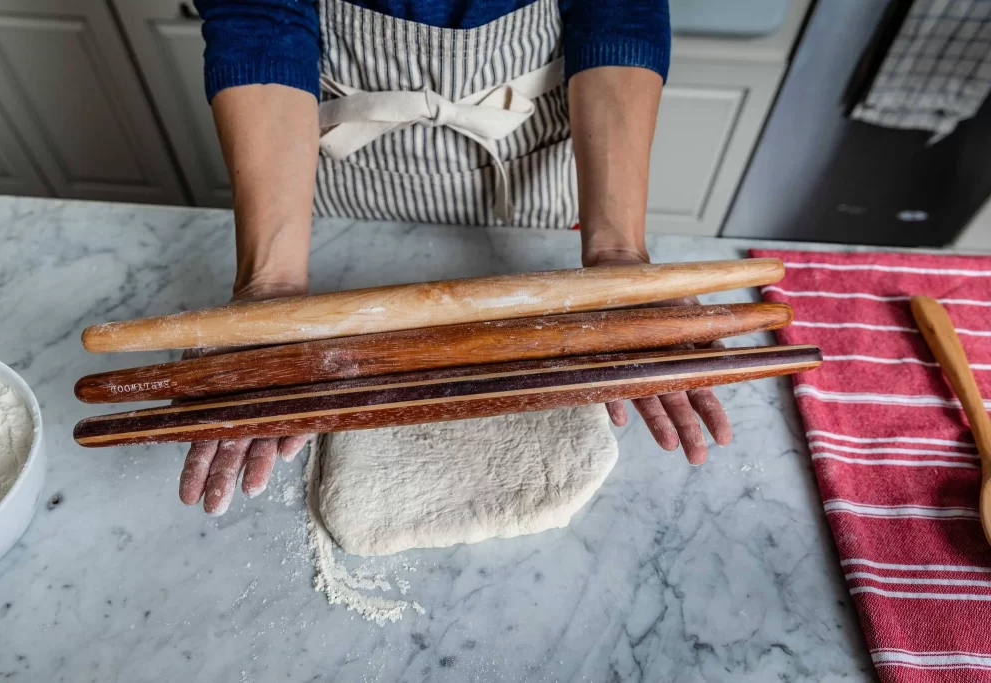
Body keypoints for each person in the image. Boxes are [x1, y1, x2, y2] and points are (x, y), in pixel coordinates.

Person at [181, 0, 733, 516]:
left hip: (525, 156)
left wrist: (618, 253)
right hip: (331, 168)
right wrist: (270, 284)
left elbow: (619, 8)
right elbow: (256, 12)